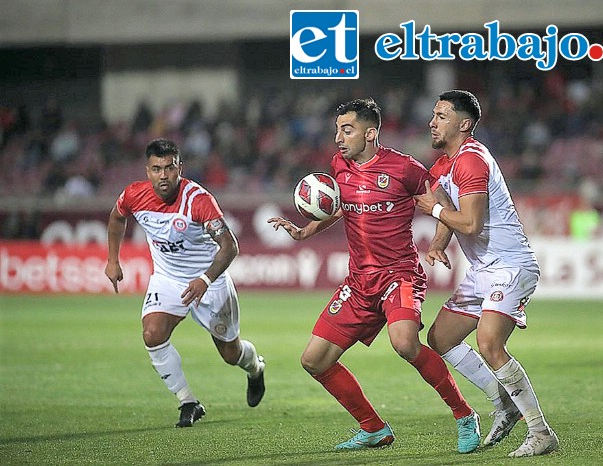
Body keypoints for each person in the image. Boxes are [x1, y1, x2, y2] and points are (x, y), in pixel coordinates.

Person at [267, 98, 481, 453]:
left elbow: (447, 206)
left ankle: (464, 414)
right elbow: (339, 207)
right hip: (359, 282)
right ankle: (373, 428)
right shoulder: (339, 165)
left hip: (399, 275)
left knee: (405, 344)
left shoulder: (405, 168)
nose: (338, 137)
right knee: (314, 360)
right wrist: (305, 231)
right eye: (337, 129)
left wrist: (439, 243)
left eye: (346, 130)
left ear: (370, 133)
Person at [415, 90, 559, 457]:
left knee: (490, 344)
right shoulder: (442, 166)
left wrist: (434, 213)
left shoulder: (472, 160)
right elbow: (447, 208)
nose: (433, 122)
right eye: (433, 115)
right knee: (441, 338)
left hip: (511, 266)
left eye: (442, 116)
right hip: (483, 271)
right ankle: (504, 402)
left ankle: (540, 432)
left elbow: (472, 223)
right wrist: (437, 243)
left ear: (464, 125)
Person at [104, 138, 265, 428]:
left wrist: (205, 279)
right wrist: (112, 260)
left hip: (210, 283)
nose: (163, 176)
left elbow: (230, 246)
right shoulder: (133, 195)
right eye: (156, 169)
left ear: (180, 168)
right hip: (167, 279)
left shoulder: (198, 200)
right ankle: (188, 401)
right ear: (147, 170)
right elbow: (117, 218)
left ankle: (255, 368)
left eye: (169, 168)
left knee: (231, 354)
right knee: (152, 334)